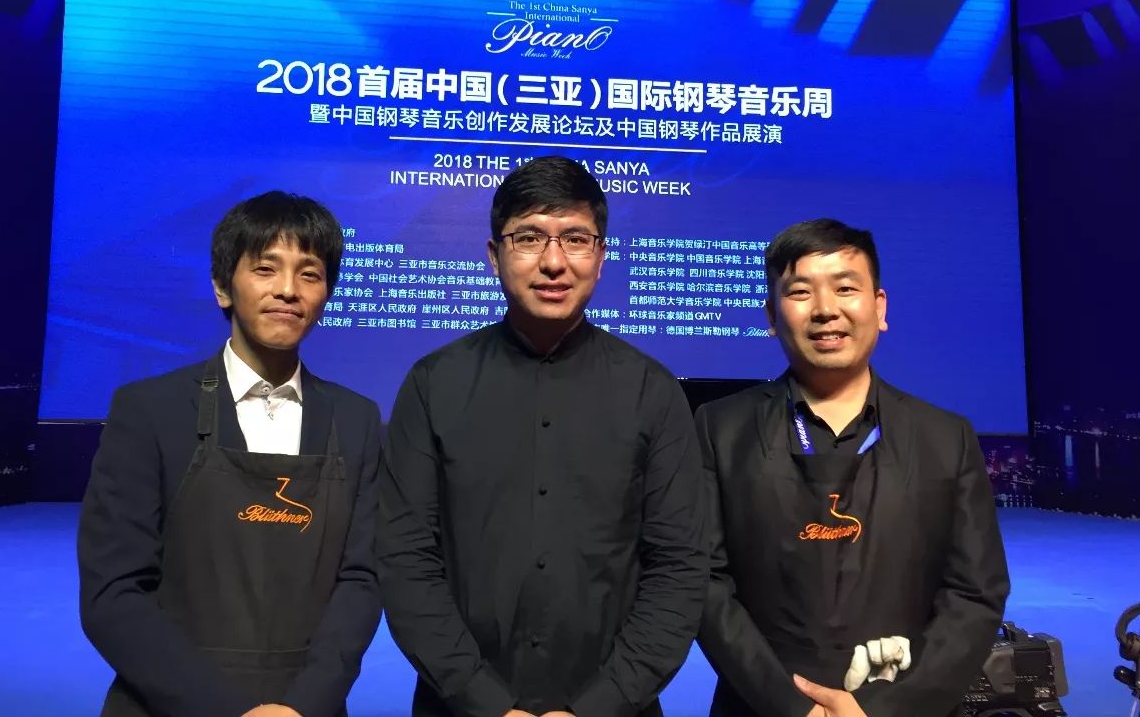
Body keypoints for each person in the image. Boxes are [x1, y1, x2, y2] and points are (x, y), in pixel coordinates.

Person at [377, 155, 706, 717]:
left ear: (601, 256)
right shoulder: (433, 384)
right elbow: (406, 561)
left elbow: (678, 569)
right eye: (528, 238)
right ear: (494, 255)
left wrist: (599, 706)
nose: (554, 262)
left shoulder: (652, 391)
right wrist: (483, 701)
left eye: (575, 239)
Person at [78, 191, 382, 717]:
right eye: (265, 268)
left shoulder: (356, 420)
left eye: (309, 274)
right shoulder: (149, 410)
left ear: (327, 293)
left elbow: (362, 580)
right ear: (222, 286)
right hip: (169, 703)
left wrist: (305, 704)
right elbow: (114, 593)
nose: (287, 289)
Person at [696, 219, 1009, 717]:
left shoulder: (945, 437)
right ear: (772, 316)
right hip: (760, 706)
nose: (825, 309)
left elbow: (975, 594)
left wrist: (884, 709)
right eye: (800, 292)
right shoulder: (720, 430)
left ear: (879, 308)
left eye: (845, 288)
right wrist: (790, 704)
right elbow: (705, 583)